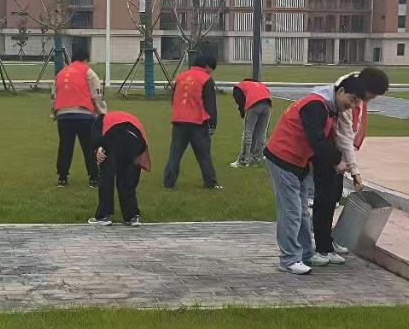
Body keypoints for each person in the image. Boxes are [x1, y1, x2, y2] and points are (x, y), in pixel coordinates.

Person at [264, 76, 366, 273]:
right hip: (282, 159)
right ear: (340, 91)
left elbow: (333, 140)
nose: (352, 106)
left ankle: (305, 254)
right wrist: (336, 161)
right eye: (352, 100)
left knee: (302, 211)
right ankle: (289, 259)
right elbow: (317, 140)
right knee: (291, 212)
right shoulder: (315, 105)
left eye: (356, 103)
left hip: (299, 163)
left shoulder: (329, 108)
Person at [162, 53, 221, 190]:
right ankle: (210, 182)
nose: (211, 72)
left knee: (174, 154)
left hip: (179, 121)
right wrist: (213, 124)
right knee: (203, 155)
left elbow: (174, 99)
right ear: (206, 66)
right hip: (198, 123)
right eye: (211, 68)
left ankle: (168, 183)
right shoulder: (206, 79)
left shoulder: (180, 77)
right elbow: (210, 104)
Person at [52, 47, 106, 188]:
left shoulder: (61, 73)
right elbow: (96, 95)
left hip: (63, 115)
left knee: (65, 146)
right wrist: (102, 114)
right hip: (83, 115)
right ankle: (94, 178)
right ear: (85, 59)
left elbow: (54, 95)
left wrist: (54, 113)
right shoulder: (88, 72)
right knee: (89, 147)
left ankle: (62, 178)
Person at [88, 110, 150, 227]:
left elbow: (96, 138)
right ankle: (132, 216)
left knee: (107, 177)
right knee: (128, 180)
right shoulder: (127, 117)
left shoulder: (100, 120)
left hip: (113, 137)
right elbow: (143, 142)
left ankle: (103, 215)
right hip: (136, 139)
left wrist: (99, 147)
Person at [230, 77, 272, 168]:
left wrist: (243, 114)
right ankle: (257, 159)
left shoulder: (239, 86)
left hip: (254, 105)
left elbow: (240, 102)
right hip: (267, 105)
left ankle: (243, 161)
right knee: (262, 134)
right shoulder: (261, 85)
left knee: (247, 133)